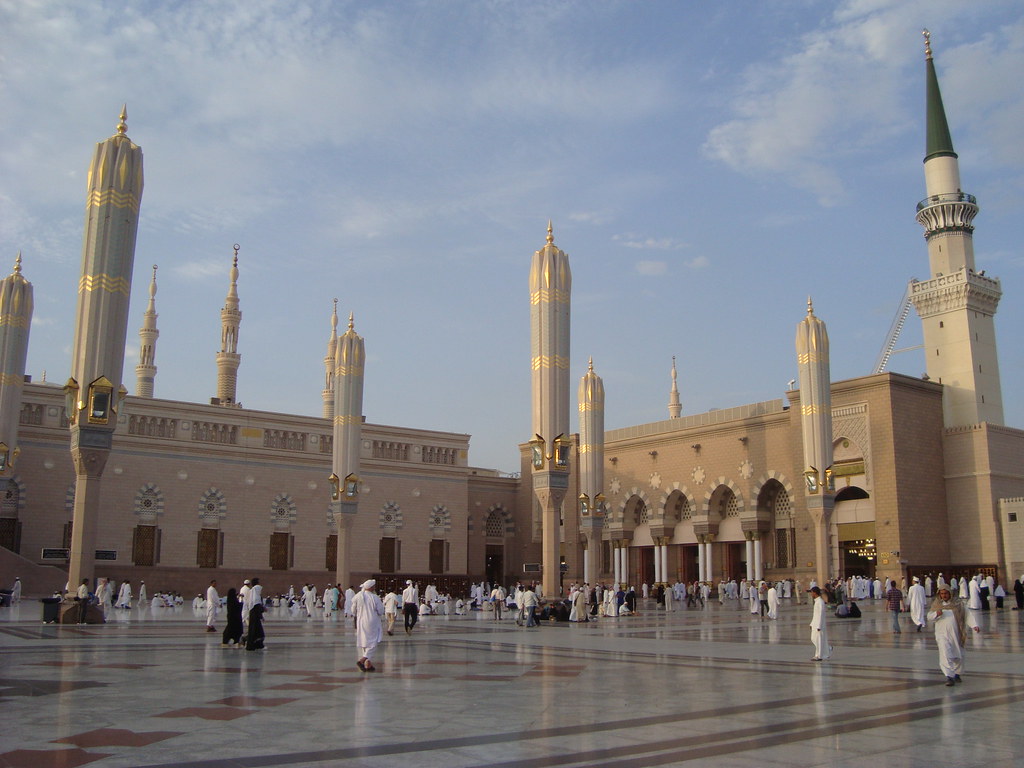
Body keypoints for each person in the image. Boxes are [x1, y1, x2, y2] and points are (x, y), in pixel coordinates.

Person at [928, 587, 980, 685]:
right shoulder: (937, 605)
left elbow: (967, 615)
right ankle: (949, 676)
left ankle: (957, 673)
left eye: (946, 593)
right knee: (945, 653)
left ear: (950, 594)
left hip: (956, 634)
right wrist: (936, 614)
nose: (944, 596)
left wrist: (974, 625)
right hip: (942, 634)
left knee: (958, 655)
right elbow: (929, 616)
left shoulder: (958, 604)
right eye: (942, 594)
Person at [351, 579, 385, 671]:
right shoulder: (374, 597)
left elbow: (353, 611)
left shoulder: (357, 596)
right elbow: (381, 611)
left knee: (364, 642)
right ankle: (362, 660)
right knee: (373, 642)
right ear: (371, 587)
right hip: (371, 621)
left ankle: (368, 664)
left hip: (360, 621)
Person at [809, 586, 832, 661]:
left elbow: (821, 615)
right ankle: (827, 649)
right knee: (813, 639)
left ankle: (818, 656)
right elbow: (815, 614)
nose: (811, 594)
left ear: (815, 593)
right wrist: (812, 623)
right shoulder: (817, 602)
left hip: (819, 625)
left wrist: (819, 626)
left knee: (818, 640)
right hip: (815, 624)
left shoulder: (820, 602)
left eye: (812, 592)